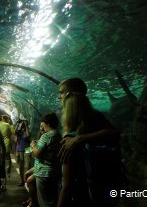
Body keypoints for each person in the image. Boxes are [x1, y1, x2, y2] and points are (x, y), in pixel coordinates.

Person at [57, 78, 121, 206]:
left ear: (72, 95)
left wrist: (80, 138)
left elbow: (115, 134)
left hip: (84, 192)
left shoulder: (92, 118)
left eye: (62, 92)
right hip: (102, 190)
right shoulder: (95, 116)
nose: (60, 97)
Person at [30, 113, 61, 207]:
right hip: (54, 170)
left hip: (43, 172)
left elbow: (36, 153)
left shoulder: (46, 136)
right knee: (52, 198)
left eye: (42, 124)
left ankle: (33, 202)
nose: (41, 127)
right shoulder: (58, 135)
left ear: (47, 123)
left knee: (44, 201)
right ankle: (32, 201)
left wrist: (33, 145)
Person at [0, 113, 12, 191]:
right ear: (0, 117)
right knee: (5, 162)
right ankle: (4, 182)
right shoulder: (7, 125)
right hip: (6, 146)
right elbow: (9, 134)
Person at [14, 118, 31, 186]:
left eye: (23, 123)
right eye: (22, 123)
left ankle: (27, 180)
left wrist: (26, 126)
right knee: (21, 165)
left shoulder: (28, 130)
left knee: (27, 165)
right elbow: (15, 135)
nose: (22, 124)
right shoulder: (18, 131)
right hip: (19, 149)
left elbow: (28, 135)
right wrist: (17, 124)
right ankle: (22, 180)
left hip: (28, 148)